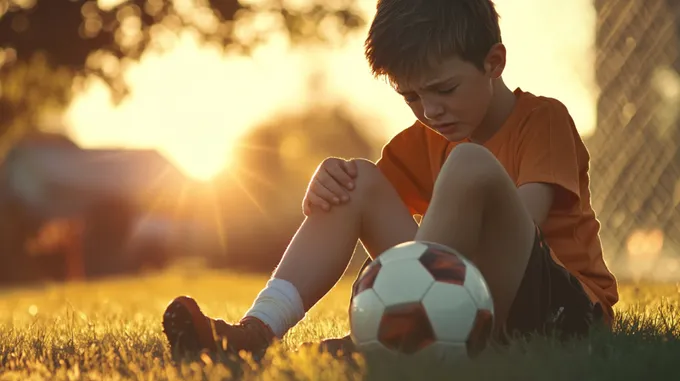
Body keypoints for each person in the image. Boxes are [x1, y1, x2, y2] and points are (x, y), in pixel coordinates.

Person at [161, 0, 619, 361]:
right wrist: (327, 184)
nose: (430, 111)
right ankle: (255, 332)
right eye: (411, 97)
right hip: (474, 298)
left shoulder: (543, 119)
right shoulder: (424, 139)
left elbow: (521, 226)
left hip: (562, 311)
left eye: (444, 89)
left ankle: (397, 336)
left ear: (493, 62)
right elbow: (362, 207)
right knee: (355, 177)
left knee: (471, 165)